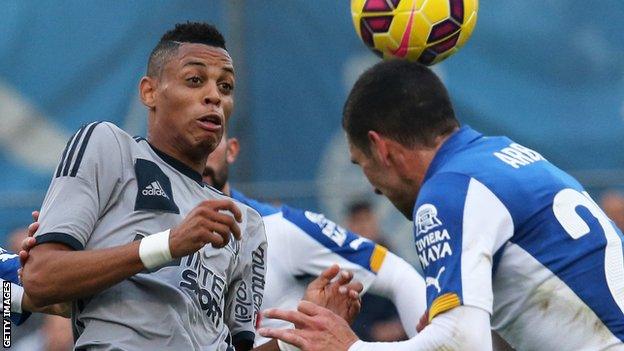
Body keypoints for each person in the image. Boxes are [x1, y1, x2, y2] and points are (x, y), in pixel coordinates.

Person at [259, 60, 624, 350]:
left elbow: (462, 344)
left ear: (382, 148)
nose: (372, 188)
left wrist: (347, 348)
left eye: (361, 164)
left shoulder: (448, 192)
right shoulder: (499, 155)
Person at [21, 22, 268, 351]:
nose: (214, 96)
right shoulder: (110, 148)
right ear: (150, 92)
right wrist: (169, 245)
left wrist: (296, 344)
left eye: (226, 87)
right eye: (195, 80)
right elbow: (41, 279)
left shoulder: (246, 224)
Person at [201, 130, 426, 349]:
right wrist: (295, 340)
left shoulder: (278, 227)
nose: (200, 152)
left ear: (231, 150)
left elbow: (397, 274)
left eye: (211, 138)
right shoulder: (167, 236)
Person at [344, 201, 407, 342]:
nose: (364, 227)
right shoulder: (343, 264)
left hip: (397, 337)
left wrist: (398, 326)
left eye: (367, 220)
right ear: (349, 225)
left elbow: (404, 295)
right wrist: (370, 331)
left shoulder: (391, 257)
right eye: (358, 221)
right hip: (361, 339)